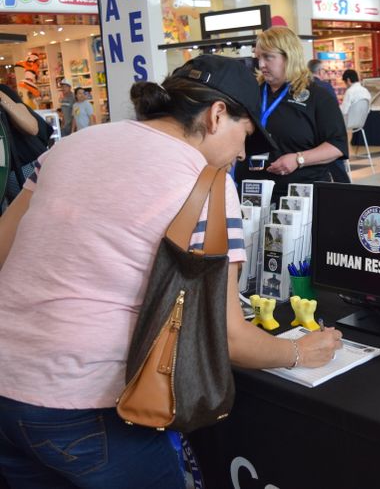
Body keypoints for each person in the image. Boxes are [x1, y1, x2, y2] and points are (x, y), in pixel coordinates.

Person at [0, 54, 342, 487]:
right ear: (217, 115)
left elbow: (3, 249)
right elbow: (230, 339)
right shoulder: (206, 184)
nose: (240, 152)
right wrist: (299, 352)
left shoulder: (71, 145)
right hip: (85, 400)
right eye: (245, 135)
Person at [235, 27, 349, 202]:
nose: (261, 65)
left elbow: (337, 146)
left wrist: (298, 159)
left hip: (297, 197)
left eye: (268, 57)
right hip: (250, 193)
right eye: (258, 57)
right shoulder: (250, 93)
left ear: (289, 57)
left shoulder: (318, 96)